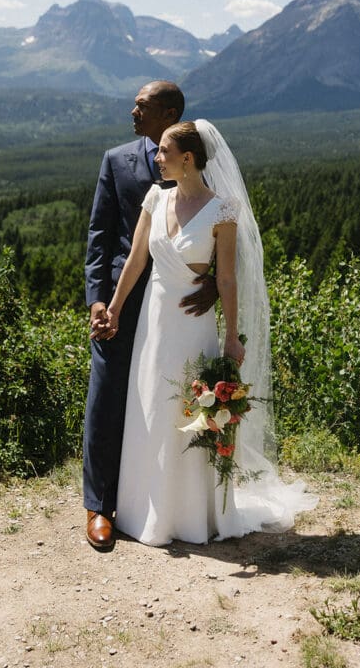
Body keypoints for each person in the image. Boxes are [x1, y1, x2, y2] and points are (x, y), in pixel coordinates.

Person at [105, 119, 317, 546]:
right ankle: (142, 510)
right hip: (153, 320)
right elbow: (136, 262)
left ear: (188, 159)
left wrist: (232, 336)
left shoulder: (223, 211)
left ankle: (189, 516)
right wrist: (114, 308)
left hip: (192, 326)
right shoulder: (155, 197)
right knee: (149, 407)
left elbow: (226, 279)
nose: (157, 158)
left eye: (164, 151)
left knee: (185, 410)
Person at [83, 82, 216, 550]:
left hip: (177, 304)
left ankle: (167, 504)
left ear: (170, 112)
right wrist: (99, 300)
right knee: (107, 397)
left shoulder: (201, 160)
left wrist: (215, 282)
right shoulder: (116, 161)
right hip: (123, 299)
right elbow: (100, 237)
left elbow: (219, 228)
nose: (132, 112)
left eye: (142, 106)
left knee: (168, 403)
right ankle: (99, 507)